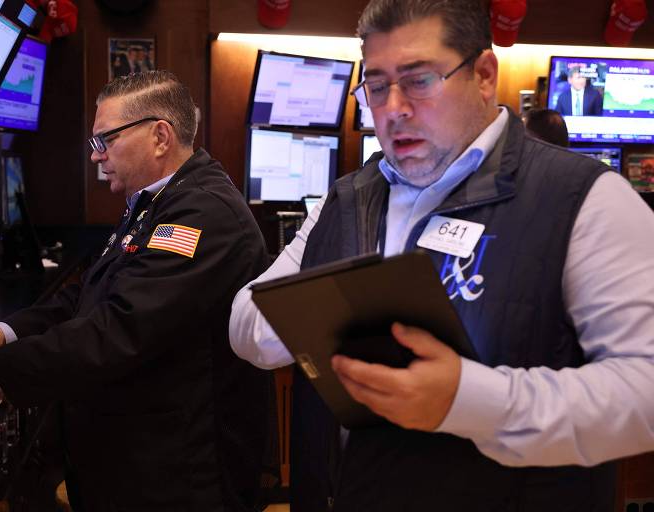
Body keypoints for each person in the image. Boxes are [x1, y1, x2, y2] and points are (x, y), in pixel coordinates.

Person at [229, 1, 654, 511]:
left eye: (419, 80)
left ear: (482, 75)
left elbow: (644, 390)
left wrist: (471, 400)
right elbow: (246, 324)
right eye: (378, 85)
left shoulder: (585, 198)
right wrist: (325, 323)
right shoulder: (347, 198)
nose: (393, 108)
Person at [0, 71, 270, 512]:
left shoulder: (203, 213)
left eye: (105, 140)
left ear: (160, 136)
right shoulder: (158, 202)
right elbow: (92, 294)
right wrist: (5, 333)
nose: (96, 156)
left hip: (179, 475)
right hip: (140, 460)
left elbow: (115, 332)